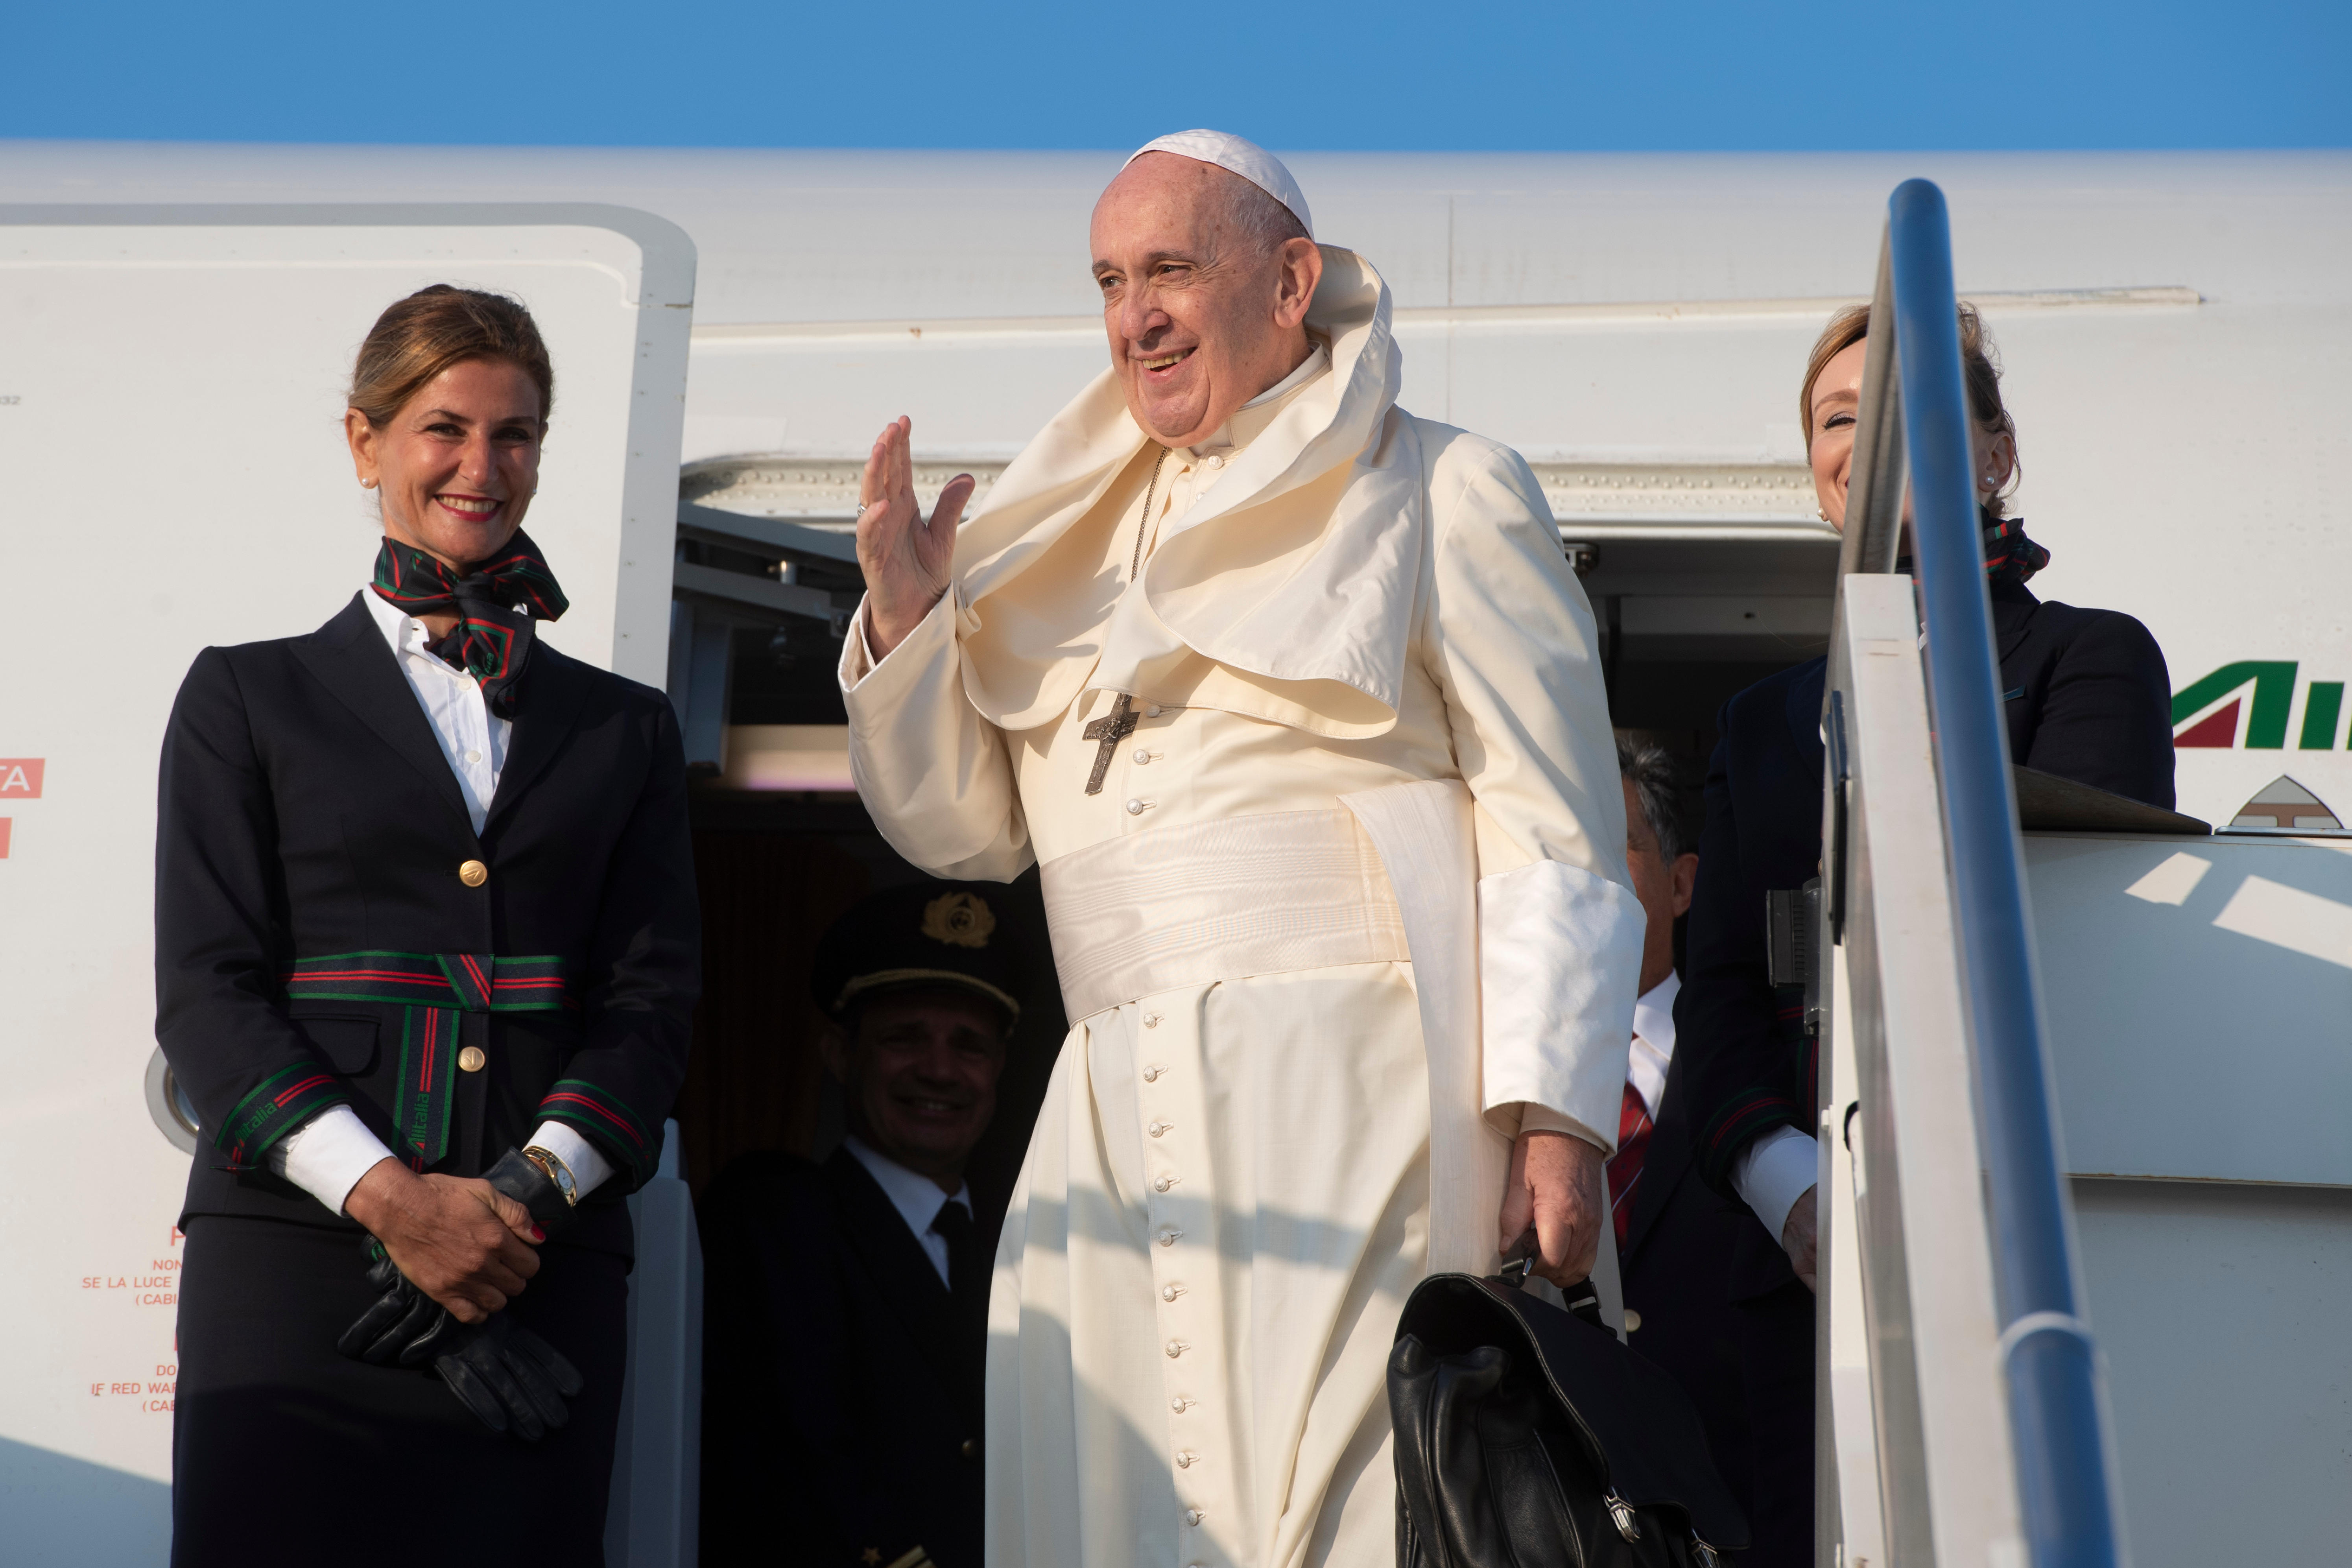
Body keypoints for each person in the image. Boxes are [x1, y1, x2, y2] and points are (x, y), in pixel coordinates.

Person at [839, 129, 1643, 1567]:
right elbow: (961, 831)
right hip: (1107, 1110)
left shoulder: (1445, 486)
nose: (1134, 317)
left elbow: (1555, 817)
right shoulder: (1054, 537)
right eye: (1109, 282)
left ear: (1288, 282)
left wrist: (1560, 1120)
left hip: (1364, 1101)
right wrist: (907, 632)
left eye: (1168, 270)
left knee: (1366, 1503)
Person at [156, 285, 700, 1564]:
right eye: (443, 428)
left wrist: (517, 1202)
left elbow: (652, 1004)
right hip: (299, 1265)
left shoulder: (624, 728)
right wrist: (398, 1203)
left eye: (515, 435)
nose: (480, 466)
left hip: (536, 1269)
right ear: (366, 442)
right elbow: (209, 995)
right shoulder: (246, 697)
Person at [1675, 302, 2176, 1566]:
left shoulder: (2091, 660)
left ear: (1996, 453)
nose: (1865, 439)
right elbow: (1719, 995)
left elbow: (2075, 940)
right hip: (1799, 1277)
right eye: (1837, 419)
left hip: (2014, 1229)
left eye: (1910, 409)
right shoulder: (1757, 724)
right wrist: (1789, 1186)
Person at [701, 881, 1027, 1568]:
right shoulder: (778, 1222)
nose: (940, 1070)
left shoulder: (1024, 1249)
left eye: (970, 1045)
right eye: (904, 1038)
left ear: (1000, 1069)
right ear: (841, 1056)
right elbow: (793, 1459)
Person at [1606, 738, 1755, 1523]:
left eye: (1614, 841)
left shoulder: (1757, 1066)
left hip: (1719, 1502)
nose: (1583, 870)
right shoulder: (1479, 1068)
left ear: (1681, 881)